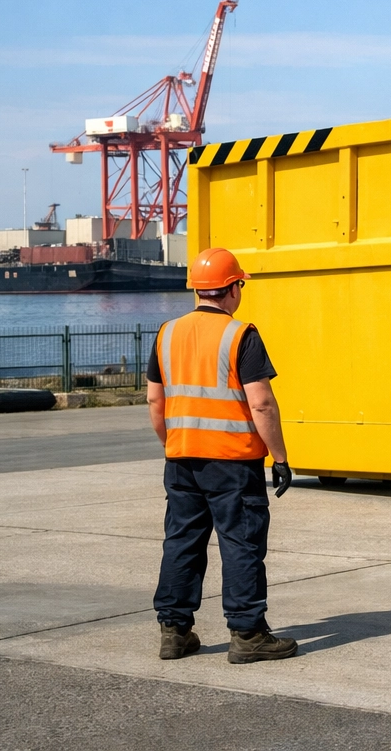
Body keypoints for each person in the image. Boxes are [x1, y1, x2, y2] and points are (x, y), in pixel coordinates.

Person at [147, 247, 299, 664]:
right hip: (232, 463)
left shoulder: (166, 333)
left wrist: (172, 444)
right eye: (240, 285)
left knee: (181, 542)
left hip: (180, 459)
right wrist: (280, 457)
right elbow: (262, 403)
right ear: (233, 288)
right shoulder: (240, 334)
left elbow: (155, 403)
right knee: (241, 543)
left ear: (196, 288)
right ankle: (248, 633)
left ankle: (174, 632)